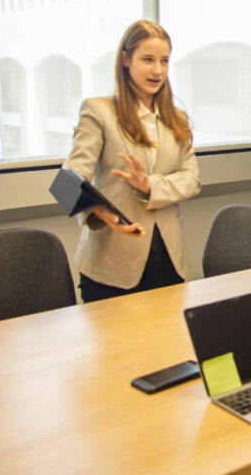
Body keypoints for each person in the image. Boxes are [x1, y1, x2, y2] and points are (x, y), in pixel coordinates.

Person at [65, 20, 201, 303]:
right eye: (147, 59)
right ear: (125, 60)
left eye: (164, 61)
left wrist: (149, 185)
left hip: (168, 260)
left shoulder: (177, 119)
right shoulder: (99, 111)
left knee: (167, 345)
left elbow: (192, 180)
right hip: (112, 264)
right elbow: (68, 182)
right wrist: (101, 213)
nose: (157, 70)